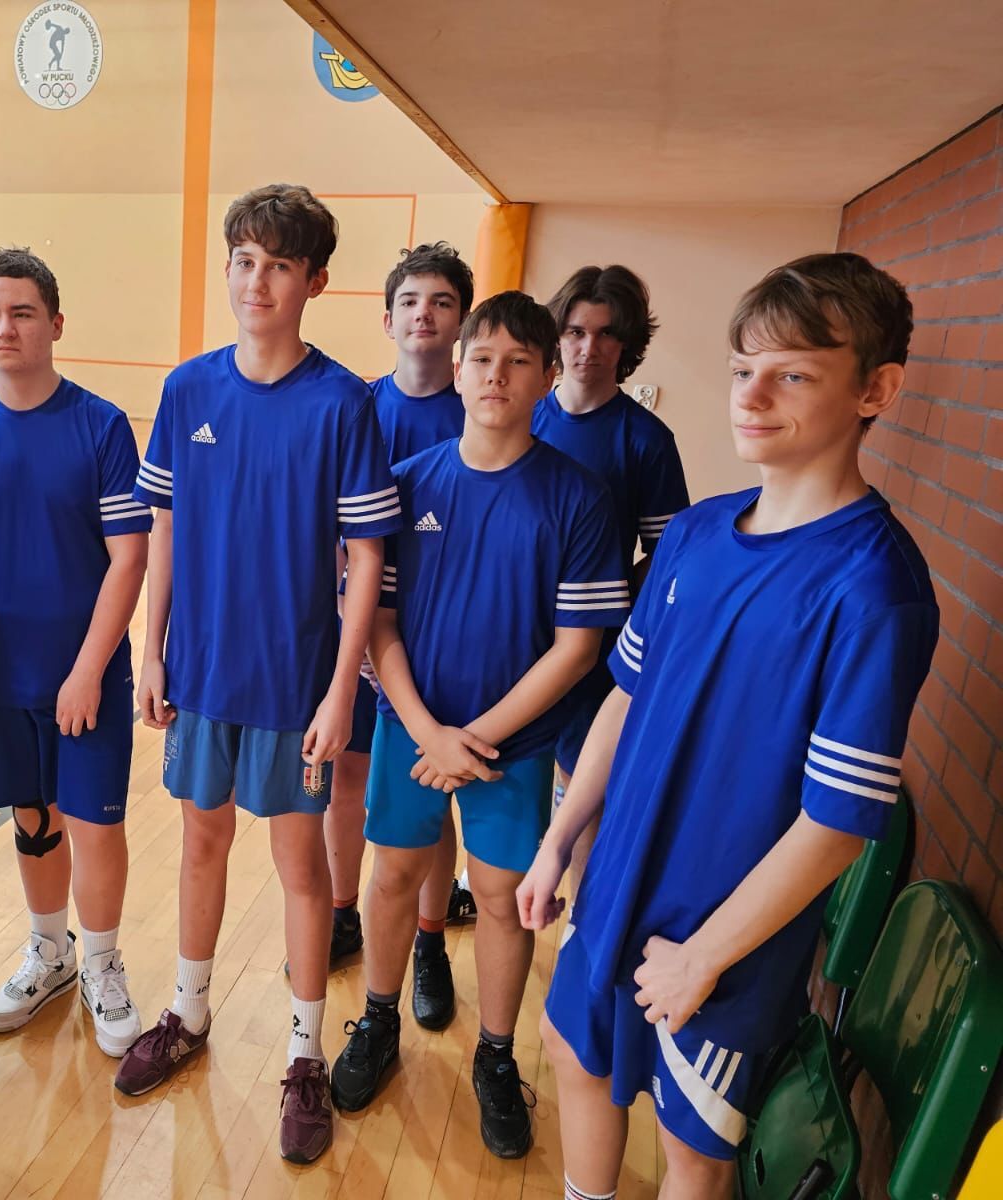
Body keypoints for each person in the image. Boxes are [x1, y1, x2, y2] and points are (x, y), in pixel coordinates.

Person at [521, 252, 938, 1199]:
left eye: (794, 375)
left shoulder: (875, 589)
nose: (751, 395)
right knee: (572, 1050)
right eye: (745, 368)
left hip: (726, 940)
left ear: (876, 391)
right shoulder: (697, 533)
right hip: (617, 880)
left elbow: (837, 825)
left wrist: (705, 957)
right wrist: (560, 839)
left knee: (692, 1150)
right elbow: (626, 697)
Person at [120, 183, 400, 1165]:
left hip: (293, 681)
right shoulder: (188, 390)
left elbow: (366, 557)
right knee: (200, 840)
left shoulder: (343, 403)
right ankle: (187, 1014)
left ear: (313, 281)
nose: (256, 281)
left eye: (279, 265)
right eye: (244, 260)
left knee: (300, 865)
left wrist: (341, 687)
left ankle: (303, 1055)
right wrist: (151, 649)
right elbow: (163, 528)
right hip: (200, 672)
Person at [330, 292, 625, 1161]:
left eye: (518, 362)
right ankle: (378, 1019)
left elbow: (577, 648)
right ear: (457, 371)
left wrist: (474, 739)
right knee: (393, 877)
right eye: (483, 359)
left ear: (546, 377)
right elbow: (377, 624)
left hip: (514, 746)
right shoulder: (408, 483)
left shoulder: (579, 498)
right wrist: (429, 730)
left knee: (500, 898)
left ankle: (496, 1057)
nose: (497, 376)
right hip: (410, 731)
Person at [0, 248, 151, 1058]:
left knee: (92, 823)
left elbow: (128, 558)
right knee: (31, 818)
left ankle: (102, 963)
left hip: (85, 671)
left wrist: (88, 670)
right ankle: (50, 952)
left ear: (55, 324)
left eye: (22, 312)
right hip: (0, 672)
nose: (5, 328)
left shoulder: (100, 426)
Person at [322, 242, 477, 1034]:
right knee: (347, 779)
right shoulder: (356, 407)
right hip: (355, 631)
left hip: (438, 642)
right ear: (387, 319)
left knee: (431, 794)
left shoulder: (478, 411)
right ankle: (342, 913)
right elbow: (328, 525)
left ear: (461, 323)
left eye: (442, 302)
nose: (425, 314)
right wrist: (345, 626)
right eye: (411, 301)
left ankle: (429, 939)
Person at [533, 265, 688, 884]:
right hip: (514, 638)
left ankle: (578, 920)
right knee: (507, 781)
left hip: (592, 649)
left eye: (604, 334)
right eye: (575, 331)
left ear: (626, 344)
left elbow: (667, 555)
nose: (588, 348)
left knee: (580, 790)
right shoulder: (523, 416)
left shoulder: (646, 440)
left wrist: (610, 607)